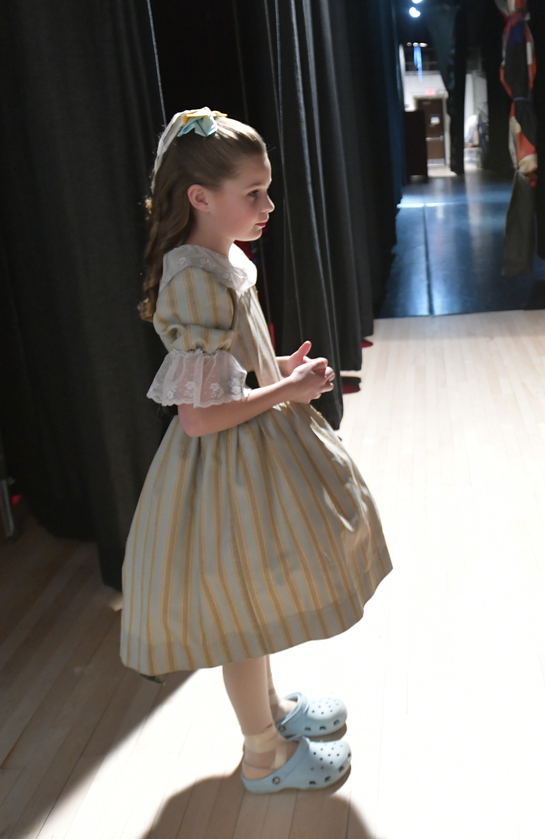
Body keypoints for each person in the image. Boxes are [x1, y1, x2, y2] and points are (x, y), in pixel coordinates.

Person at [120, 109, 392, 792]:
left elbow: (225, 368)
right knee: (241, 614)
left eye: (267, 190)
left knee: (257, 598)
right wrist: (286, 390)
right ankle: (263, 753)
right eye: (255, 193)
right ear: (201, 198)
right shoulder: (194, 280)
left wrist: (272, 368)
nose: (268, 206)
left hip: (252, 449)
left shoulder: (219, 261)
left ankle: (271, 712)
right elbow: (200, 417)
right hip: (224, 469)